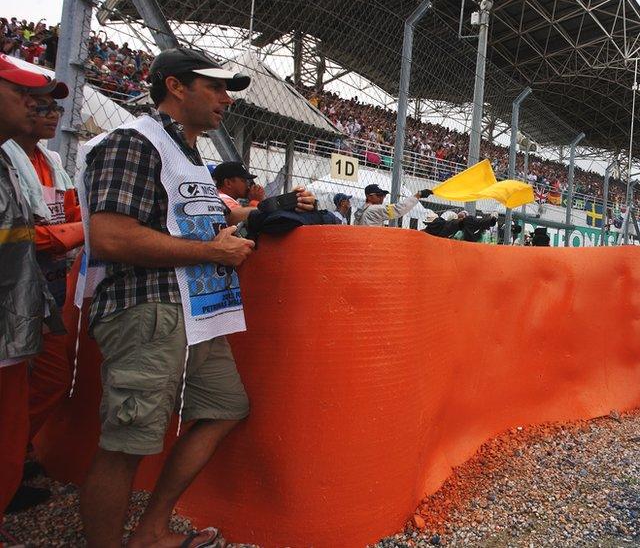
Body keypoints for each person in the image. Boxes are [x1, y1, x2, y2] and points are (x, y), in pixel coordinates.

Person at [76, 47, 314, 547]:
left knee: (226, 407)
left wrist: (270, 210)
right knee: (127, 443)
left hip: (197, 312)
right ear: (176, 86)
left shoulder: (185, 152)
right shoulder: (131, 142)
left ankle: (151, 532)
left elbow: (200, 217)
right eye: (216, 86)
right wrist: (210, 249)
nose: (226, 99)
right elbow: (112, 236)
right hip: (148, 308)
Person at [2, 75, 80, 513]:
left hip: (42, 283)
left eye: (54, 108)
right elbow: (32, 236)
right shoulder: (11, 159)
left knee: (49, 378)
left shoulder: (51, 161)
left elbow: (64, 219)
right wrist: (82, 232)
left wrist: (68, 232)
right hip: (23, 278)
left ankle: (16, 458)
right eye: (37, 102)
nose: (48, 113)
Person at [352, 183, 432, 226]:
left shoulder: (362, 210)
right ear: (368, 197)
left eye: (383, 195)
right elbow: (398, 209)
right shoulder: (373, 209)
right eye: (379, 195)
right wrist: (418, 195)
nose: (382, 198)